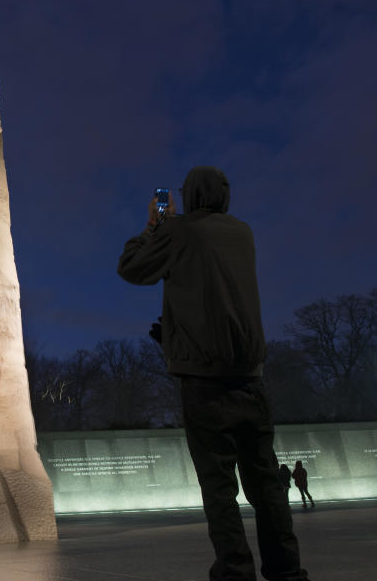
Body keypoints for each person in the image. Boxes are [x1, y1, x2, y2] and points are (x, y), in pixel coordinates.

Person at [117, 167, 310, 581]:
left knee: (219, 488)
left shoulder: (181, 230)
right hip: (251, 377)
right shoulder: (243, 232)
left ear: (189, 197)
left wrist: (154, 224)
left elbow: (132, 268)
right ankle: (288, 571)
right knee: (265, 484)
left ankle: (235, 571)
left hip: (205, 382)